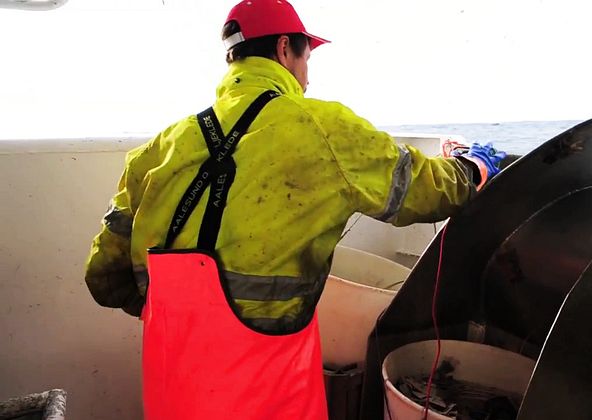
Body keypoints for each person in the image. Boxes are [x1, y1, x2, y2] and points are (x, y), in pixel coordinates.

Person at [84, 0, 506, 418]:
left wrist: (185, 327)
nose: (307, 77)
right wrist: (473, 166)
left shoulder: (156, 150)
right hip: (267, 395)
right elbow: (431, 192)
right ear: (285, 49)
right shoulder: (321, 127)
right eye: (308, 57)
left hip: (173, 391)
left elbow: (103, 279)